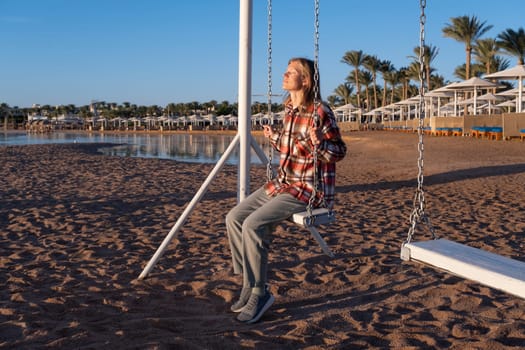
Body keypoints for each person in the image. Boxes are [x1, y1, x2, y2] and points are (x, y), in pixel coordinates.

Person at [225, 57, 347, 323]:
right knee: (234, 218)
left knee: (253, 225)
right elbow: (291, 147)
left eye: (290, 72)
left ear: (305, 80)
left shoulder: (321, 112)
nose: (284, 74)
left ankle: (260, 293)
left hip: (308, 190)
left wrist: (321, 146)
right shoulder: (289, 110)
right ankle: (249, 282)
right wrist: (274, 137)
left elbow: (339, 152)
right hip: (285, 182)